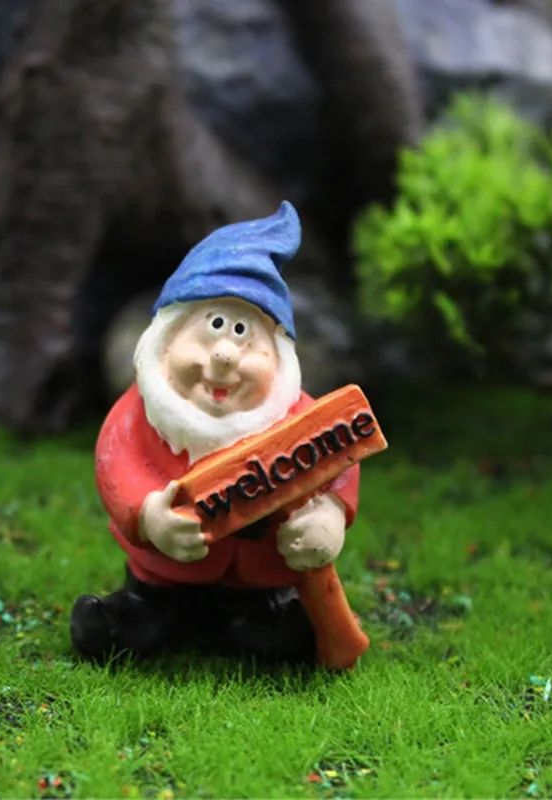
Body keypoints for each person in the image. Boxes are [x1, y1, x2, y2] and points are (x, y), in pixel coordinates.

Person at [70, 201, 361, 665]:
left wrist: (326, 517)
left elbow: (337, 467)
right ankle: (130, 620)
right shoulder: (139, 414)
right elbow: (117, 465)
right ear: (169, 338)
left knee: (272, 633)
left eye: (243, 333)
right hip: (165, 570)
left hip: (261, 576)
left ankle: (274, 627)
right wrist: (150, 517)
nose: (224, 356)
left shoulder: (300, 418)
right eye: (213, 328)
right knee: (146, 616)